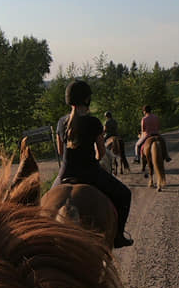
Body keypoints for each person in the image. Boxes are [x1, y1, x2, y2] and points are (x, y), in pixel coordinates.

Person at [56, 80, 134, 248]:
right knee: (125, 195)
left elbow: (61, 153)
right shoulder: (93, 122)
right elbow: (101, 152)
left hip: (65, 173)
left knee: (42, 206)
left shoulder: (61, 123)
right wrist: (94, 161)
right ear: (86, 100)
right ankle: (119, 235)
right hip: (90, 173)